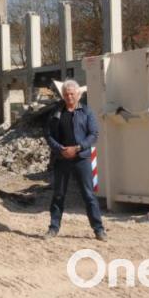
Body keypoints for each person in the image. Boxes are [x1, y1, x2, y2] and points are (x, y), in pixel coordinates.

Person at [44, 80, 106, 241]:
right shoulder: (56, 113)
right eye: (66, 94)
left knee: (89, 195)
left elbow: (93, 134)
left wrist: (78, 148)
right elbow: (48, 135)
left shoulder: (87, 112)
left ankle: (99, 230)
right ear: (63, 95)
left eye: (72, 94)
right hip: (61, 159)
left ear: (78, 95)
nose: (69, 96)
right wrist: (60, 149)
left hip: (82, 159)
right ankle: (53, 228)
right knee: (58, 195)